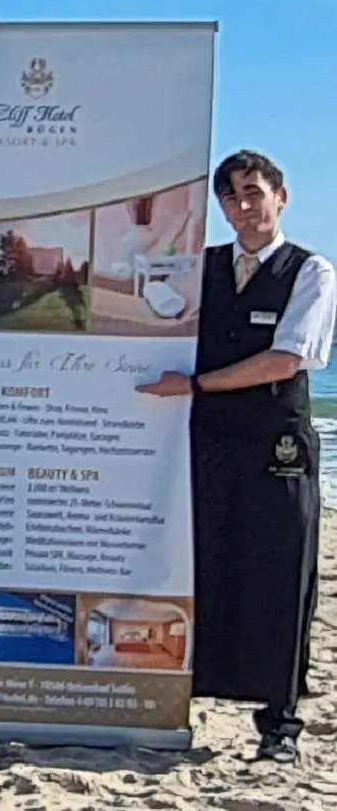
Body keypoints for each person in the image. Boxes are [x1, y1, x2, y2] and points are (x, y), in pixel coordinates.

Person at [136, 150, 333, 764]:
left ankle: (279, 724)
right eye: (230, 198)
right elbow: (149, 301)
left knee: (279, 575)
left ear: (281, 195)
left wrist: (195, 386)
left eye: (253, 193)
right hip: (210, 442)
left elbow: (285, 359)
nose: (243, 209)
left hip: (277, 447)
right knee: (203, 566)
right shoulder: (204, 268)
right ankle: (185, 698)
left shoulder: (312, 273)